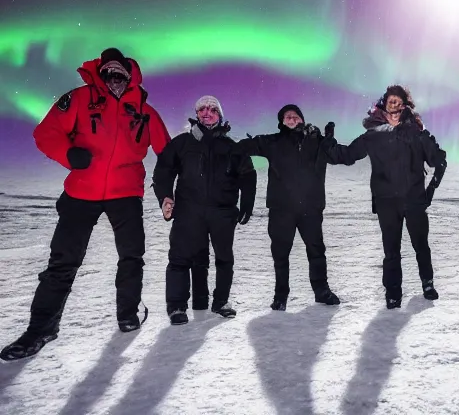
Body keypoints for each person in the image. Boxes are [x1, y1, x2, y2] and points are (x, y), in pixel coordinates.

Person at [0, 49, 171, 361]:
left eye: (119, 72)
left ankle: (128, 314)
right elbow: (46, 133)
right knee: (62, 263)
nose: (114, 77)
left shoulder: (145, 111)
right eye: (108, 71)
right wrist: (69, 155)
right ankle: (40, 329)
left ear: (129, 75)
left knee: (132, 257)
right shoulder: (78, 99)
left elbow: (168, 154)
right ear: (100, 73)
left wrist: (173, 188)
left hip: (126, 194)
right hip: (81, 194)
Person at [328, 85, 447, 309]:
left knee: (421, 244)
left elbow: (439, 161)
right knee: (391, 250)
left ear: (405, 107)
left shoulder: (416, 134)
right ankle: (393, 293)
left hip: (414, 202)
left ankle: (427, 283)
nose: (395, 107)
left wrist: (430, 191)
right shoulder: (373, 137)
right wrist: (327, 143)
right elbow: (346, 155)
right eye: (391, 102)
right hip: (386, 203)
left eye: (399, 103)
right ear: (383, 105)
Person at [153, 95, 256, 325]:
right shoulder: (182, 143)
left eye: (212, 109)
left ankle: (220, 302)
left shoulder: (232, 147)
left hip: (222, 212)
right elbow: (163, 171)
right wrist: (165, 196)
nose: (207, 112)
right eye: (202, 109)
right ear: (196, 115)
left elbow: (248, 175)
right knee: (181, 258)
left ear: (220, 115)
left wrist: (247, 202)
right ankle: (177, 306)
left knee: (223, 258)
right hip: (189, 211)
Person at [234, 104, 342, 310]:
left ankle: (322, 291)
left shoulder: (316, 141)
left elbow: (339, 157)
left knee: (316, 251)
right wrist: (236, 156)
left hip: (310, 209)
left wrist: (328, 141)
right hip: (281, 209)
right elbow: (244, 147)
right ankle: (280, 296)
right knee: (280, 254)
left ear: (302, 119)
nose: (292, 120)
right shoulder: (273, 142)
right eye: (287, 117)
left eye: (295, 116)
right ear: (281, 122)